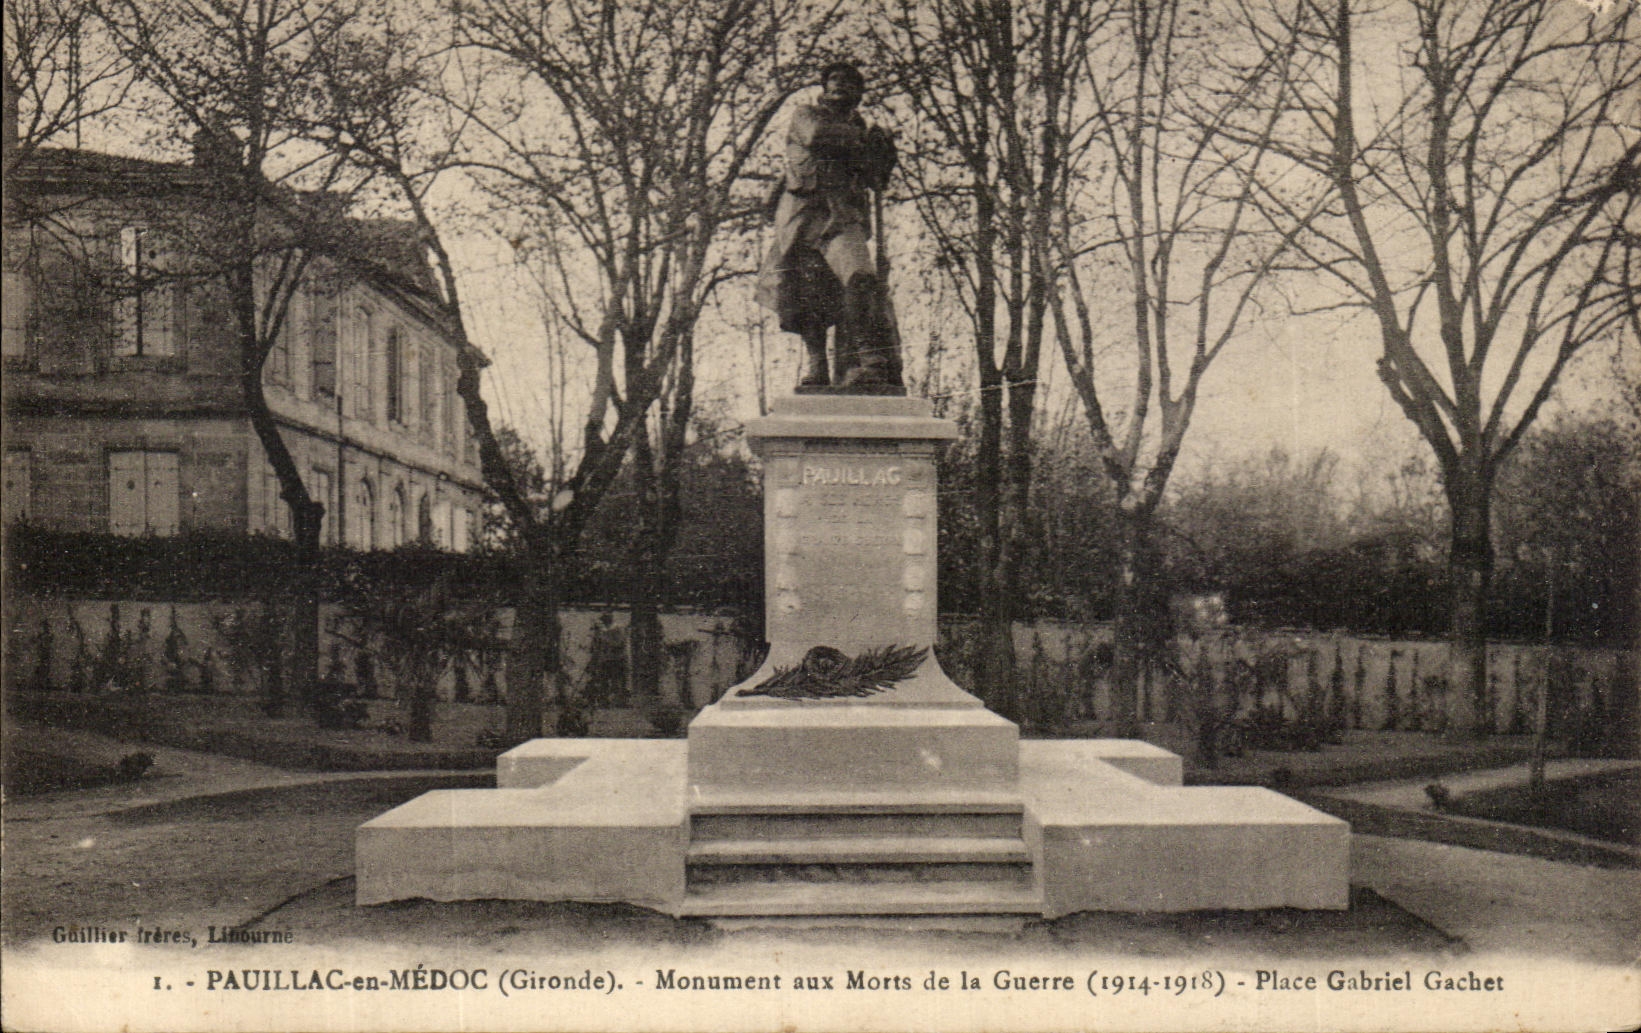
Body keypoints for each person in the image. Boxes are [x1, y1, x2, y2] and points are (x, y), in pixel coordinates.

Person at [755, 62, 900, 389]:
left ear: (858, 94)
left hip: (841, 215)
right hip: (802, 216)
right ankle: (817, 367)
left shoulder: (859, 128)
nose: (839, 86)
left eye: (849, 82)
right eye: (833, 80)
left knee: (860, 276)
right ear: (824, 88)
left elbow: (875, 179)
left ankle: (871, 361)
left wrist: (884, 152)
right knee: (808, 292)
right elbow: (817, 136)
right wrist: (865, 139)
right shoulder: (806, 115)